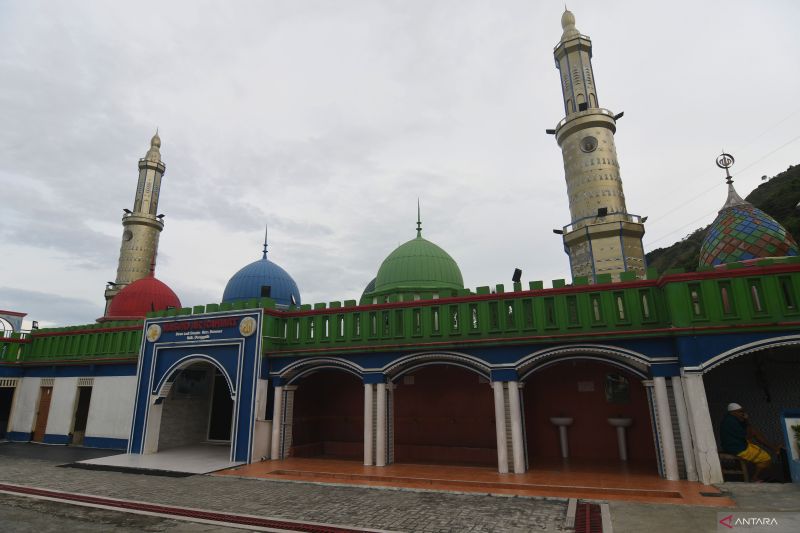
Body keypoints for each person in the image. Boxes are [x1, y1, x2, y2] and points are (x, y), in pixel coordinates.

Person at [720, 403, 781, 481]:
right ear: (732, 412)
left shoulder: (729, 419)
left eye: (742, 411)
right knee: (766, 459)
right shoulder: (731, 422)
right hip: (738, 448)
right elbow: (747, 435)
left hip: (734, 445)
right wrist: (747, 420)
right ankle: (754, 477)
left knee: (754, 432)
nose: (742, 413)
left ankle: (773, 448)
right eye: (740, 412)